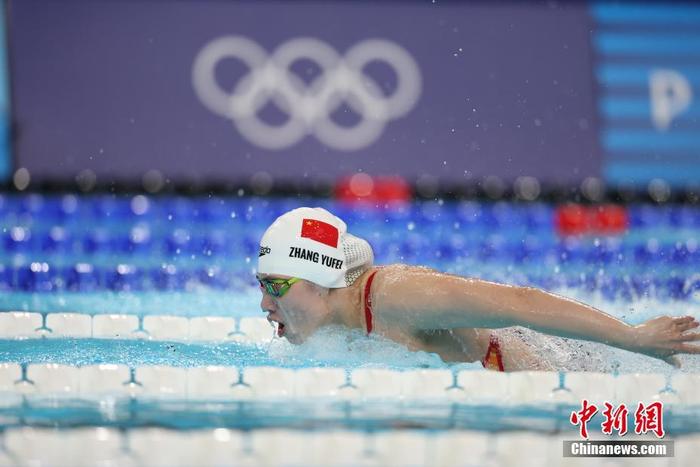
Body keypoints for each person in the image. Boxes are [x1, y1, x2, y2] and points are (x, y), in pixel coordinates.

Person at [256, 207, 700, 371]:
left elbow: (520, 303)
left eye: (275, 286)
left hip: (555, 373)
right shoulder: (331, 329)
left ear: (325, 277)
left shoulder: (392, 296)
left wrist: (634, 337)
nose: (264, 304)